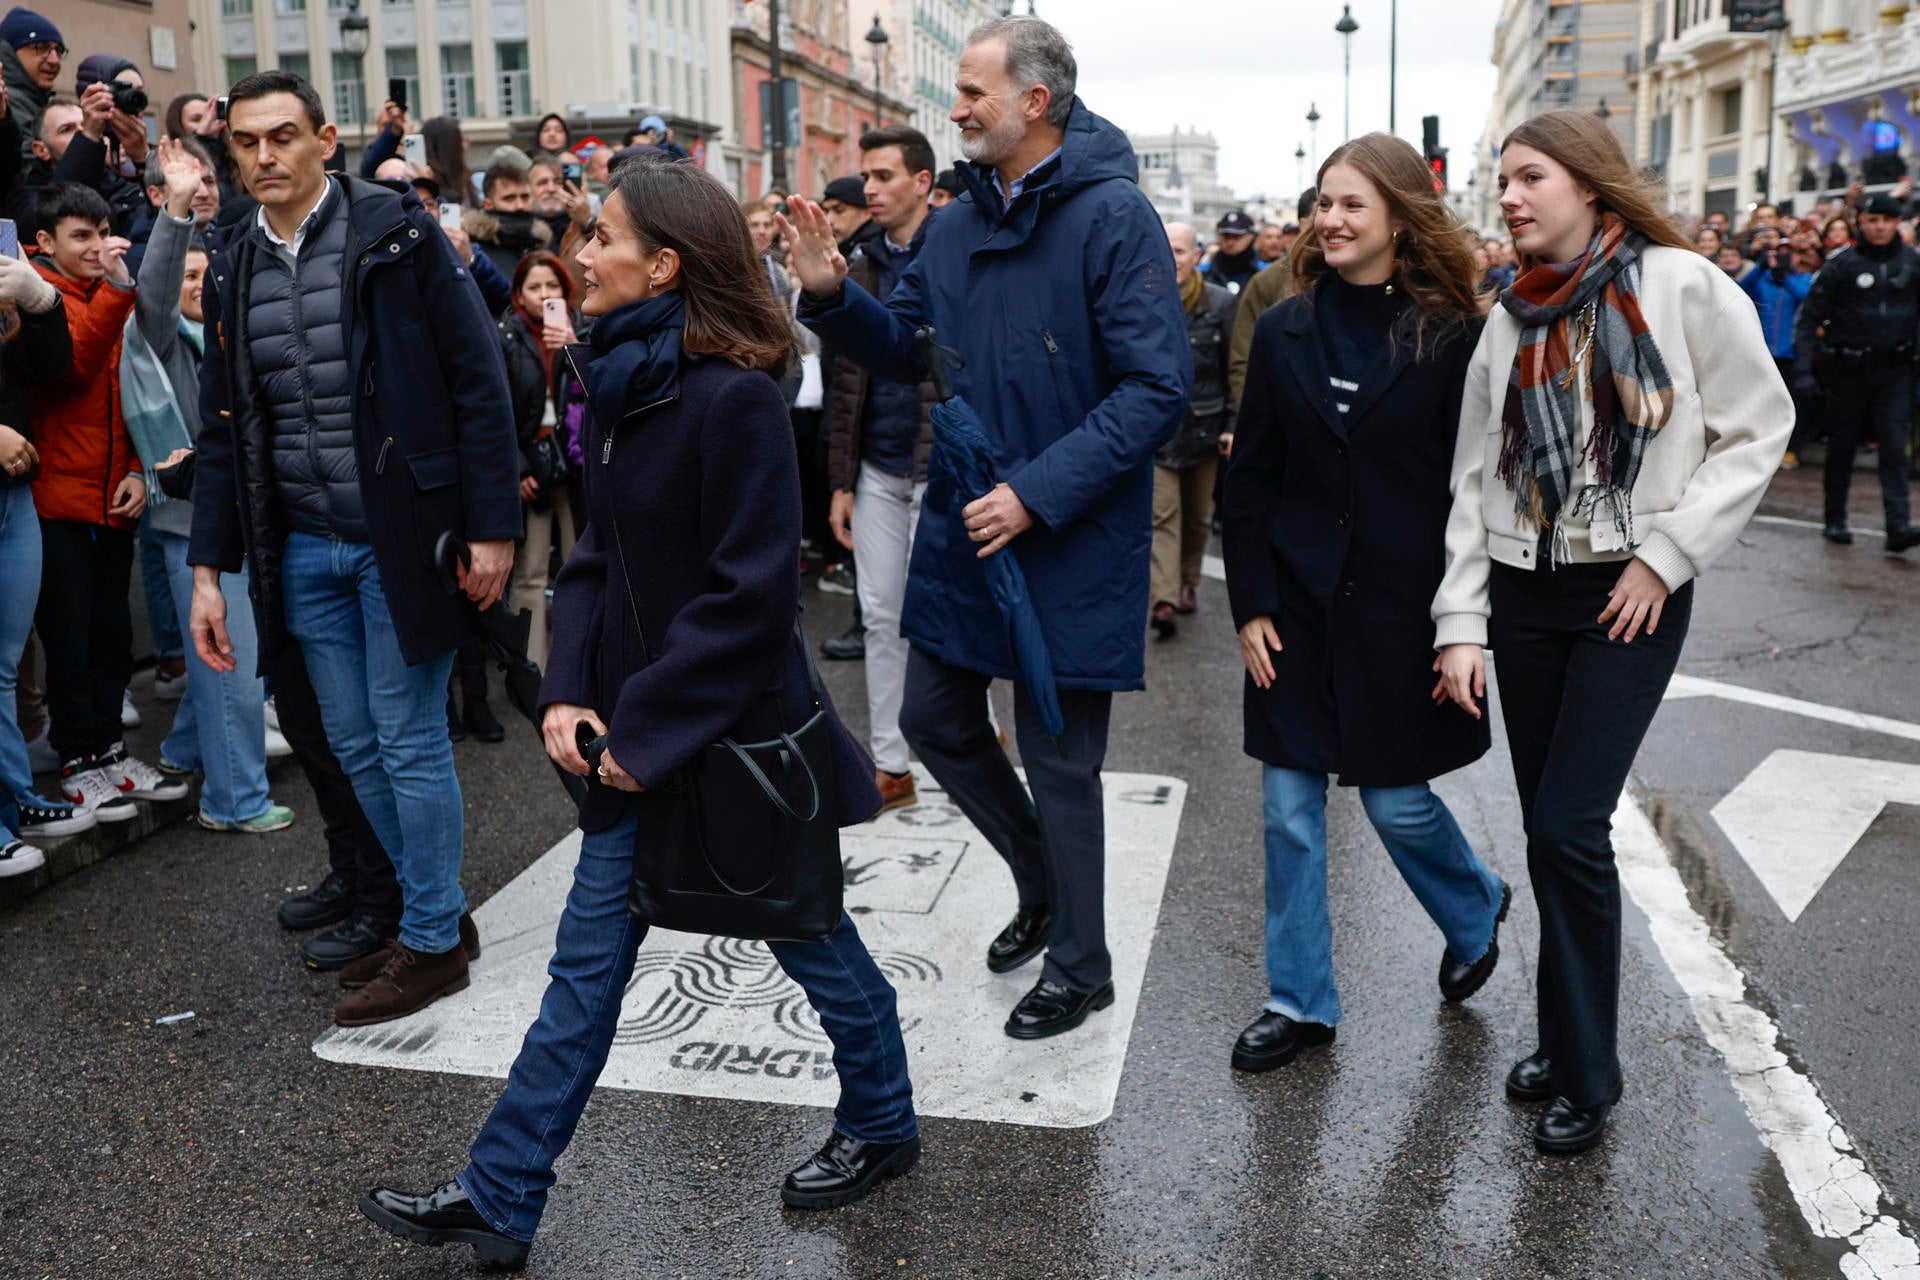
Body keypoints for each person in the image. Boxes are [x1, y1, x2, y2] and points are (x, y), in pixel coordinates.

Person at [358, 155, 920, 1267]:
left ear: (663, 263)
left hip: (734, 736)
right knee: (586, 972)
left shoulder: (739, 397)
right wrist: (567, 687)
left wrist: (640, 732)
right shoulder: (612, 381)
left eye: (604, 234)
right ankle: (502, 1193)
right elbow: (597, 559)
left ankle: (884, 1122)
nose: (584, 249)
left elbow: (753, 601)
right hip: (633, 734)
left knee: (811, 938)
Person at [786, 15, 1191, 1040]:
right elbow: (905, 346)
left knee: (1060, 760)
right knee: (932, 721)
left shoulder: (1114, 218)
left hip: (1067, 530)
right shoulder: (958, 223)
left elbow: (1158, 390)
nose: (954, 108)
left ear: (1035, 103)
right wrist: (831, 292)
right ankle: (1042, 878)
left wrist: (1037, 492)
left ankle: (1081, 963)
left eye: (971, 92)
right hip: (968, 521)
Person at [1432, 110, 1792, 1155]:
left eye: (1528, 176)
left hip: (1628, 596)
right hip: (1525, 597)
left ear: (1588, 184)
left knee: (1567, 828)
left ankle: (1588, 1071)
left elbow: (1757, 428)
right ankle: (1563, 1030)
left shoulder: (1683, 286)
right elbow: (1471, 481)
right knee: (1549, 829)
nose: (1508, 196)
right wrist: (1461, 622)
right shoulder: (1509, 317)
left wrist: (1665, 554)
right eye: (1502, 180)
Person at [187, 71, 521, 1025]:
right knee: (352, 746)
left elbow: (478, 379)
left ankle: (429, 941)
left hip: (400, 537)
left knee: (409, 739)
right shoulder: (235, 255)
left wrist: (493, 524)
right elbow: (224, 429)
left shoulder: (397, 231)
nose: (263, 158)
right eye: (245, 142)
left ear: (325, 140)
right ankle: (433, 918)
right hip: (299, 544)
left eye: (282, 137)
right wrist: (208, 572)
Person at [1223, 133, 1508, 1076]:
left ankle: (1473, 907)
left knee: (1393, 801)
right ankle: (1299, 1001)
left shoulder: (1455, 334)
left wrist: (1463, 616)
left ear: (1398, 214)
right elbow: (1252, 475)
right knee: (1289, 812)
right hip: (1296, 604)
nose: (1331, 220)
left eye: (1351, 203)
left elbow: (1475, 487)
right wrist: (1252, 602)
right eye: (1322, 202)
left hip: (1401, 607)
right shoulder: (1282, 328)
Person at [130, 138, 293, 835]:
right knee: (233, 666)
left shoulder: (228, 337)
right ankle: (235, 802)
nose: (197, 284)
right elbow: (157, 295)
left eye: (207, 273)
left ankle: (182, 752)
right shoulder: (163, 341)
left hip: (240, 516)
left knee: (219, 660)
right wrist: (177, 211)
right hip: (192, 523)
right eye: (187, 275)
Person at [28, 182, 182, 821]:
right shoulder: (34, 296)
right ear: (45, 243)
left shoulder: (104, 295)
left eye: (100, 232)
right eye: (79, 236)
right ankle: (75, 760)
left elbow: (130, 408)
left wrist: (141, 476)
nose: (95, 247)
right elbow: (74, 367)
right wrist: (119, 289)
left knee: (111, 632)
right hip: (56, 499)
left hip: (112, 495)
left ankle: (109, 752)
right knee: (68, 636)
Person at [823, 124, 940, 814]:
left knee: (949, 613)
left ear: (923, 182)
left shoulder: (959, 252)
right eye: (866, 176)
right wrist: (841, 481)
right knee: (879, 613)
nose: (870, 188)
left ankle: (974, 727)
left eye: (885, 175)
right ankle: (891, 764)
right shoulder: (857, 262)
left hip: (944, 468)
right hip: (877, 467)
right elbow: (844, 385)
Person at [0, 239, 86, 846]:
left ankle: (14, 800)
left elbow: (51, 366)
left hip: (14, 494)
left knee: (3, 669)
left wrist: (41, 299)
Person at [1791, 191, 1920, 552]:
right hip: (1847, 372)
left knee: (1894, 450)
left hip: (1895, 371)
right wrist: (1803, 372)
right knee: (1842, 449)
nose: (1879, 227)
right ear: (1861, 223)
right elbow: (1808, 320)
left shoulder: (1912, 263)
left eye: (1886, 220)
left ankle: (1897, 527)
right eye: (1872, 220)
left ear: (1897, 223)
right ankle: (1835, 519)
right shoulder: (1842, 264)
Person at [498, 250, 584, 669]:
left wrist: (574, 348)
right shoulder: (507, 336)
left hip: (575, 461)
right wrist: (517, 467)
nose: (544, 295)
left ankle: (579, 662)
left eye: (552, 286)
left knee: (579, 562)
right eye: (535, 287)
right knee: (530, 570)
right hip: (533, 463)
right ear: (518, 294)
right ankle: (533, 667)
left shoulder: (582, 329)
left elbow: (595, 394)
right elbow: (496, 410)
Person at [1149, 221, 1234, 638]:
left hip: (1205, 429)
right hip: (1159, 432)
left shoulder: (1218, 304)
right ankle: (1162, 598)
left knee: (1198, 519)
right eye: (1166, 250)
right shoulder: (1142, 297)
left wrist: (1232, 425)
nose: (1173, 259)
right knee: (1162, 515)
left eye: (1181, 251)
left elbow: (1233, 371)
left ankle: (1187, 581)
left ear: (1197, 255)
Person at [10, 92, 146, 239]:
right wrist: (88, 141)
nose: (81, 133)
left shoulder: (115, 181)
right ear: (42, 150)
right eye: (66, 129)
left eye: (84, 124)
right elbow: (52, 213)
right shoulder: (24, 197)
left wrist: (141, 156)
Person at [1228, 187, 1314, 406]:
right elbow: (1242, 361)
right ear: (1303, 225)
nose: (1332, 222)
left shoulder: (1354, 276)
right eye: (1323, 209)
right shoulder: (1267, 282)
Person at [1740, 230, 1813, 470]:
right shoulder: (1762, 281)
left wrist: (1786, 278)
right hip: (1763, 353)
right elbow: (1741, 289)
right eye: (1777, 255)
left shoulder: (1802, 280)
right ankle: (1759, 448)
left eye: (1786, 255)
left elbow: (1807, 298)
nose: (1781, 259)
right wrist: (1761, 267)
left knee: (1793, 404)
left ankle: (1791, 449)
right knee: (1760, 403)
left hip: (1791, 353)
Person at [464, 160, 550, 282]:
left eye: (525, 197)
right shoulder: (475, 251)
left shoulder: (539, 244)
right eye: (509, 198)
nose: (520, 205)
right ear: (488, 204)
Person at [0, 6, 61, 162]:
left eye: (58, 50)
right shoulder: (8, 105)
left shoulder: (35, 101)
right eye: (40, 47)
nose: (54, 60)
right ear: (9, 53)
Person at [1204, 209, 1262, 294]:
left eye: (1237, 236)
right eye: (1226, 236)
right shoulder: (1203, 272)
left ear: (1251, 236)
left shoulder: (1264, 272)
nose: (1230, 242)